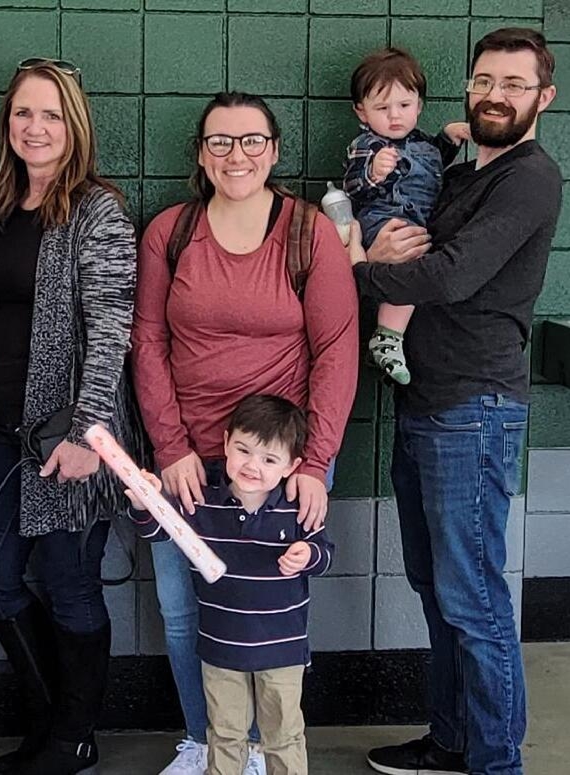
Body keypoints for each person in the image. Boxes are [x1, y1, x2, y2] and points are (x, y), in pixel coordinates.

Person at [131, 92, 359, 775]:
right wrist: (171, 447)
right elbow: (148, 342)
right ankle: (206, 741)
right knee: (183, 610)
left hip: (279, 462)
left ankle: (263, 747)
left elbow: (338, 348)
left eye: (252, 140)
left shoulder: (308, 233)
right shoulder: (170, 232)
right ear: (202, 154)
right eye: (221, 141)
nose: (238, 155)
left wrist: (314, 462)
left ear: (275, 150)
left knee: (270, 606)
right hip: (191, 462)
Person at [353, 28, 560, 775]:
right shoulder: (465, 172)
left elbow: (449, 275)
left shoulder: (530, 178)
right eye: (484, 81)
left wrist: (355, 270)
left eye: (514, 83)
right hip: (427, 402)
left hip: (474, 410)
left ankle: (497, 762)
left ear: (544, 96)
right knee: (439, 590)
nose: (495, 95)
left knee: (472, 598)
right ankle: (453, 741)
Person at [0, 58, 140, 775]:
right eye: (23, 113)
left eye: (52, 115)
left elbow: (113, 328)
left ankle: (74, 738)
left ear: (75, 127)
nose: (35, 127)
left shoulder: (96, 211)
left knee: (69, 581)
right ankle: (48, 722)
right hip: (6, 428)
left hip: (72, 432)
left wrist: (90, 430)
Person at [126, 395, 333, 775]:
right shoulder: (201, 503)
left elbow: (324, 553)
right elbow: (158, 530)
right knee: (223, 735)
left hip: (282, 651)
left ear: (292, 466)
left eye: (269, 459)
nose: (253, 466)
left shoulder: (297, 507)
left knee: (284, 737)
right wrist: (144, 503)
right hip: (220, 649)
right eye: (243, 450)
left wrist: (308, 555)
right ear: (225, 444)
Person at [343, 47, 470, 385]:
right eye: (382, 108)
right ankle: (387, 336)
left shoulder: (423, 144)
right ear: (361, 111)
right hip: (383, 220)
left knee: (422, 269)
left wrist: (449, 138)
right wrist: (373, 172)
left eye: (404, 105)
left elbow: (432, 163)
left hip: (418, 222)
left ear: (419, 106)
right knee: (409, 269)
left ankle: (392, 337)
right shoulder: (367, 146)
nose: (394, 115)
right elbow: (353, 188)